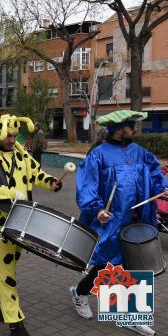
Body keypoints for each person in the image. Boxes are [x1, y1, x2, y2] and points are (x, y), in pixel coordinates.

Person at [70, 110, 168, 336]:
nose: (134, 130)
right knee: (107, 265)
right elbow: (87, 186)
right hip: (111, 220)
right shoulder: (99, 155)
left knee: (134, 265)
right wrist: (97, 209)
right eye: (130, 126)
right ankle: (80, 293)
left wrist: (161, 188)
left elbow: (154, 174)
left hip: (138, 219)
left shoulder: (139, 152)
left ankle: (129, 316)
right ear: (117, 130)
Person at [0, 114, 62, 336]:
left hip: (23, 220)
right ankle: (15, 321)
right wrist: (10, 193)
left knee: (2, 267)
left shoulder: (21, 153)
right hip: (0, 222)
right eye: (9, 136)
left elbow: (35, 173)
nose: (13, 140)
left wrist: (51, 182)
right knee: (7, 272)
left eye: (15, 136)